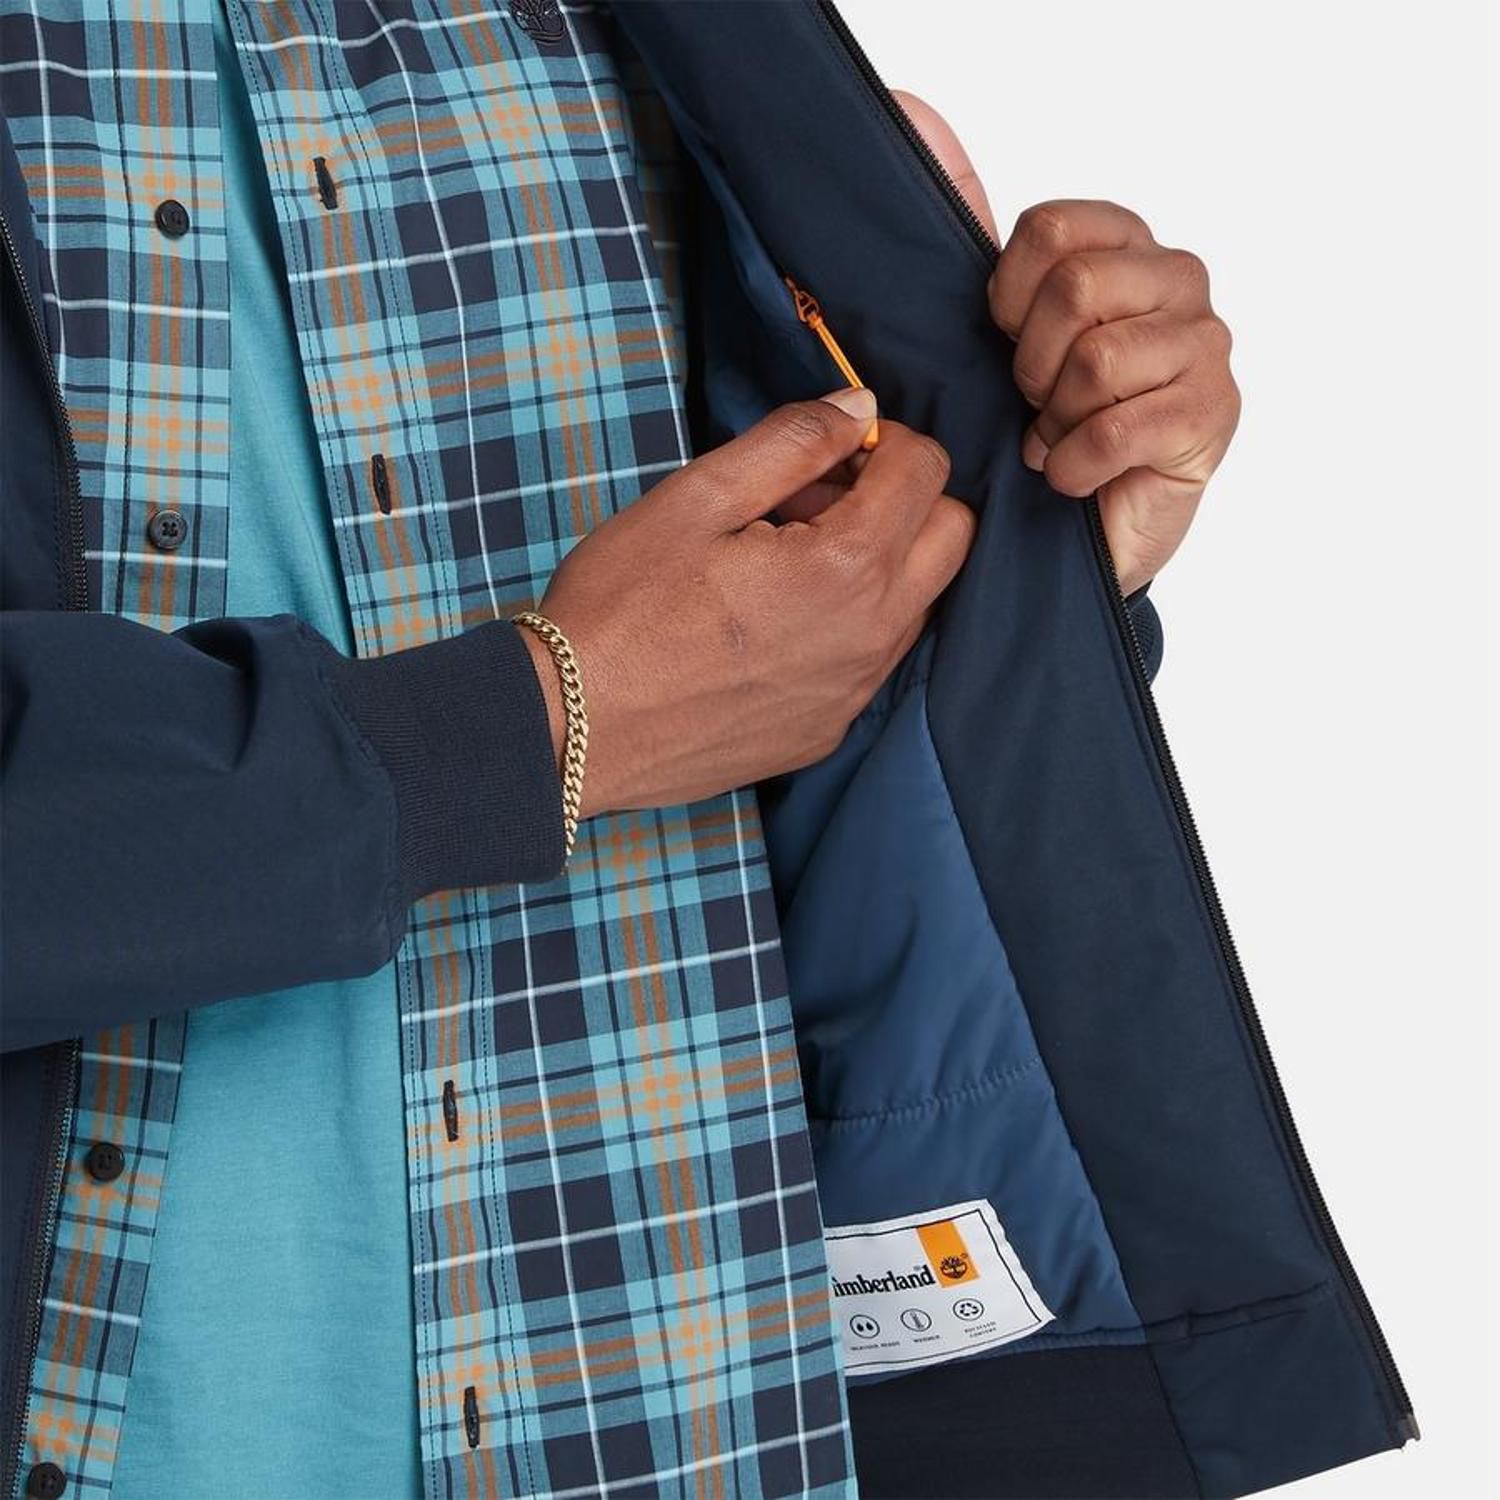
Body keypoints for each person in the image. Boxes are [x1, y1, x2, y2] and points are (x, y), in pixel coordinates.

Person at [0, 3, 1238, 1497]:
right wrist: (524, 724)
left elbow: (761, 743)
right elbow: (608, 710)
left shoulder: (660, 38)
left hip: (699, 1426)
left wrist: (1018, 590)